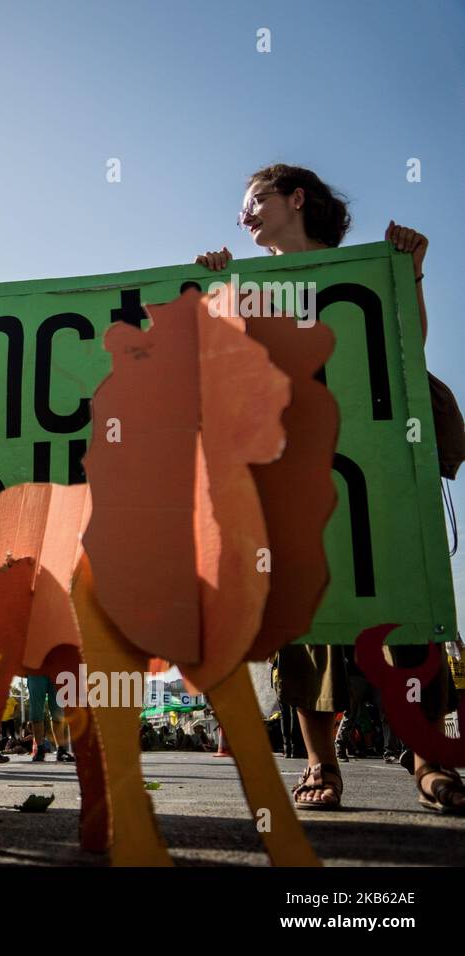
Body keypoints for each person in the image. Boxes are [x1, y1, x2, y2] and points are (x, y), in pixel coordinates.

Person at [195, 163, 463, 813]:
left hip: (369, 461)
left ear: (296, 199)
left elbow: (400, 348)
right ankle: (321, 762)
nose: (244, 215)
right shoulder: (245, 284)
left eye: (255, 200)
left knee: (401, 598)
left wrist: (410, 272)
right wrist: (212, 293)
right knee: (304, 612)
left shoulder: (366, 274)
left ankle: (429, 752)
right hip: (293, 468)